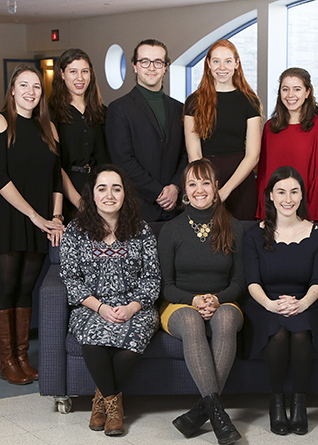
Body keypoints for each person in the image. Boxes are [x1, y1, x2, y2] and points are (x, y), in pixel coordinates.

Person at [59, 164, 160, 436]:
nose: (109, 195)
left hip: (135, 307)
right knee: (93, 343)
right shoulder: (75, 231)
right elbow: (70, 279)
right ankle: (114, 406)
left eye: (116, 188)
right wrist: (101, 308)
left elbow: (152, 279)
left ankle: (100, 401)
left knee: (131, 346)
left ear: (125, 193)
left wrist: (131, 308)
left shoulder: (141, 230)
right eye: (102, 188)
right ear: (91, 194)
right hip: (91, 306)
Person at [158, 159, 244, 444]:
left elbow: (239, 283)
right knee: (192, 320)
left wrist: (217, 299)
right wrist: (194, 300)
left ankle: (201, 412)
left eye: (205, 182)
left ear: (216, 187)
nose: (199, 190)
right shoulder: (171, 230)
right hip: (180, 304)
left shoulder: (234, 226)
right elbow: (167, 287)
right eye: (192, 184)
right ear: (184, 190)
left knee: (228, 318)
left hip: (224, 300)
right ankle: (219, 417)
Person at [243, 166, 318, 436]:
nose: (288, 198)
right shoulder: (253, 235)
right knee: (279, 333)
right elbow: (252, 282)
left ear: (302, 196)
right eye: (281, 192)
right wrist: (270, 305)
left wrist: (302, 303)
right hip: (264, 303)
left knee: (302, 333)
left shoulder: (317, 234)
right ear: (270, 195)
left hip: (306, 300)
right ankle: (277, 401)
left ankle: (299, 402)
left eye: (294, 192)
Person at [0, 64, 64, 385]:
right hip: (10, 218)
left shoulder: (49, 129)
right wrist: (35, 216)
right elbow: (0, 179)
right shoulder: (0, 122)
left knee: (27, 289)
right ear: (12, 90)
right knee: (6, 288)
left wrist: (55, 218)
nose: (30, 92)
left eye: (36, 86)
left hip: (41, 221)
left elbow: (56, 179)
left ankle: (23, 356)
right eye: (23, 85)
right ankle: (7, 359)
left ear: (42, 93)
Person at [107, 38, 187, 222]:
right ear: (135, 66)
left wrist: (175, 187)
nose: (151, 67)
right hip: (138, 209)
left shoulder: (179, 109)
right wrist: (158, 192)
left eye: (158, 62)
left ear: (166, 67)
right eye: (145, 61)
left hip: (175, 209)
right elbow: (123, 160)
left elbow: (186, 154)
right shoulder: (119, 108)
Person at [184, 39, 262, 220]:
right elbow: (194, 153)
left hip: (240, 179)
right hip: (205, 177)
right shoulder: (193, 101)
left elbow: (253, 155)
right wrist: (204, 187)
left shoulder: (250, 101)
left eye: (228, 61)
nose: (222, 67)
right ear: (209, 64)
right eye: (216, 61)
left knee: (242, 239)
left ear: (236, 64)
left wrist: (225, 191)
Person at [256, 68, 318, 222]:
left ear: (307, 92)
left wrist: (308, 219)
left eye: (297, 89)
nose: (290, 95)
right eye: (285, 89)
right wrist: (266, 212)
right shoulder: (269, 128)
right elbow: (264, 176)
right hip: (274, 213)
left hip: (307, 215)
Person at [49, 48, 110, 221]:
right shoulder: (51, 114)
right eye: (73, 72)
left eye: (85, 71)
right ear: (62, 74)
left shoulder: (102, 113)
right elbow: (54, 166)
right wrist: (80, 203)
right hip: (66, 198)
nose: (80, 78)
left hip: (100, 193)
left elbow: (107, 157)